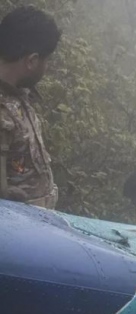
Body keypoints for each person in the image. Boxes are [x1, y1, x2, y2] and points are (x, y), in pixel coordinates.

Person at [0, 6, 60, 208]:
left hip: (37, 225)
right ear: (32, 61)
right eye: (46, 59)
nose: (47, 67)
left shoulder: (20, 95)